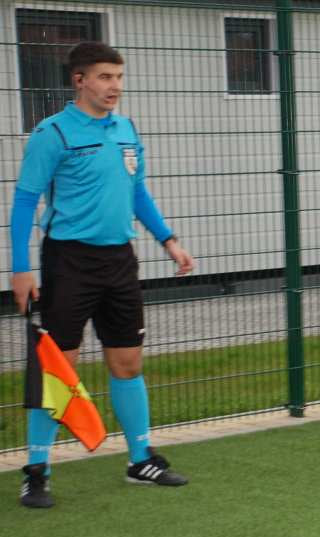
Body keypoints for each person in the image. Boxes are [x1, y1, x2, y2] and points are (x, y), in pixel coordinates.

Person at [9, 41, 195, 507]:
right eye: (105, 77)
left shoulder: (127, 130)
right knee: (59, 367)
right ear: (80, 81)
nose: (115, 87)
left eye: (118, 77)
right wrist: (20, 268)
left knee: (127, 362)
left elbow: (138, 194)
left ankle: (140, 459)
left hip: (119, 262)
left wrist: (169, 240)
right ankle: (37, 470)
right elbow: (24, 203)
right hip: (68, 262)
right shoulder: (51, 134)